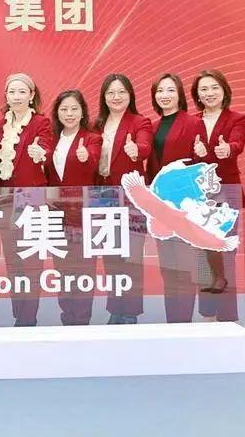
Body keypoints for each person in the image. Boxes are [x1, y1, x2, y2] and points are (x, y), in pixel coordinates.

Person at [0, 73, 53, 327]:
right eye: (12, 92)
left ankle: (29, 318)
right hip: (5, 199)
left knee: (31, 260)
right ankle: (19, 315)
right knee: (13, 259)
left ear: (31, 95)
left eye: (22, 92)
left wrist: (40, 153)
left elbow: (46, 147)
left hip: (32, 199)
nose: (16, 97)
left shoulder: (40, 122)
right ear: (6, 95)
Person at [148, 73, 208, 323]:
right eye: (160, 91)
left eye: (170, 90)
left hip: (185, 205)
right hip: (160, 205)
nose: (165, 95)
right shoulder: (152, 126)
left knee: (184, 268)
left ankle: (183, 324)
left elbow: (203, 163)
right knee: (168, 268)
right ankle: (173, 323)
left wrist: (202, 154)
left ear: (180, 94)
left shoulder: (193, 123)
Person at [95, 73, 153, 324]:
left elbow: (145, 146)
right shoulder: (97, 124)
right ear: (104, 97)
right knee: (111, 257)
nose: (116, 97)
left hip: (130, 198)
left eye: (121, 92)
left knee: (131, 258)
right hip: (102, 196)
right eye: (111, 93)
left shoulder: (140, 122)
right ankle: (115, 310)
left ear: (130, 95)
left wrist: (136, 150)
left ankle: (130, 313)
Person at [192, 69, 245, 321]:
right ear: (197, 95)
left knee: (226, 254)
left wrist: (227, 149)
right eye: (204, 89)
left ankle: (227, 317)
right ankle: (207, 314)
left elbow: (237, 144)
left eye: (214, 87)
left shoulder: (237, 119)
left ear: (224, 91)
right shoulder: (192, 121)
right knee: (203, 255)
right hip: (199, 195)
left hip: (227, 192)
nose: (209, 93)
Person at [45, 90, 102, 325]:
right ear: (57, 113)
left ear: (82, 112)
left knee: (83, 268)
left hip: (82, 214)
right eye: (64, 109)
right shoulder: (51, 139)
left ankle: (81, 319)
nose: (69, 114)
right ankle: (67, 317)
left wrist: (85, 156)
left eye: (74, 109)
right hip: (55, 214)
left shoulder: (91, 138)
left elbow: (94, 161)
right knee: (63, 269)